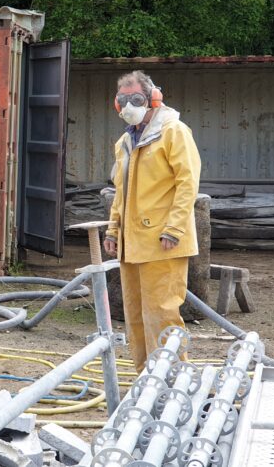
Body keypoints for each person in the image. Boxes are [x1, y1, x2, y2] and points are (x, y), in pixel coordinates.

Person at [103, 71, 201, 372]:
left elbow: (187, 183)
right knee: (135, 316)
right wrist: (114, 229)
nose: (129, 105)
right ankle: (145, 378)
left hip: (164, 242)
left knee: (162, 314)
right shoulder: (125, 142)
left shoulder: (173, 131)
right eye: (123, 99)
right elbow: (122, 191)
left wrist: (174, 228)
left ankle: (173, 380)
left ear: (152, 98)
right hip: (132, 245)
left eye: (136, 99)